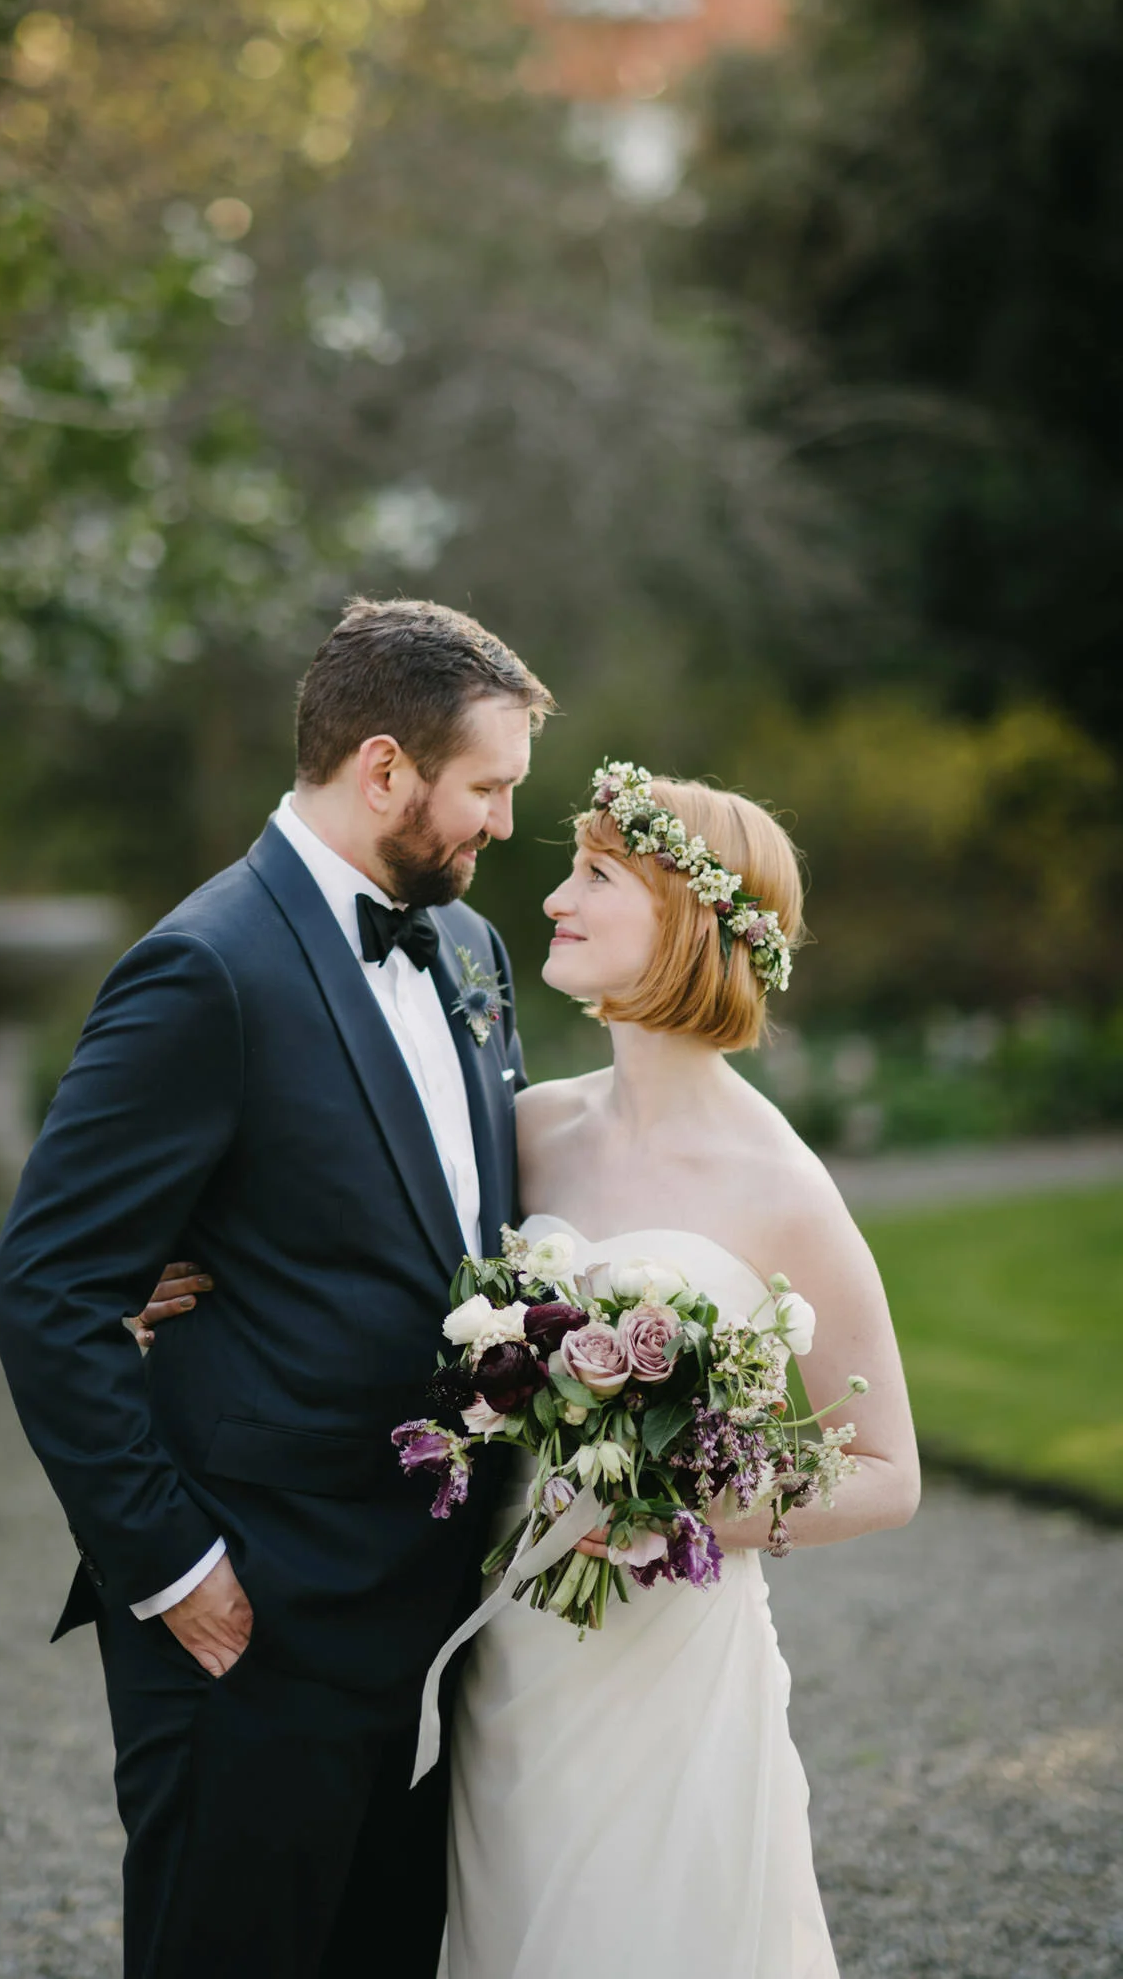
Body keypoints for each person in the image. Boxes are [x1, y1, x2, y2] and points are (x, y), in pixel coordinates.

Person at [147, 767, 921, 1978]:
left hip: (662, 1664)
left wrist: (674, 1503)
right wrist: (174, 1269)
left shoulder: (781, 1186)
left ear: (685, 917)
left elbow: (888, 1472)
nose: (552, 898)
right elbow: (354, 1237)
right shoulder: (530, 1128)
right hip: (497, 1656)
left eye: (596, 876)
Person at [0, 596, 554, 1979]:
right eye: (487, 787)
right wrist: (172, 1564)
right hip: (256, 1622)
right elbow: (47, 1280)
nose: (503, 823)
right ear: (382, 768)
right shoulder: (205, 967)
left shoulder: (468, 950)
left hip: (437, 1610)